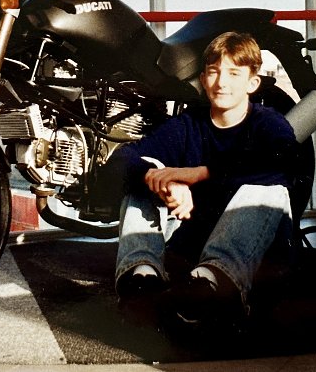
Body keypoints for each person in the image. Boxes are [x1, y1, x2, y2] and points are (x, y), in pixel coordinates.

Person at [111, 31, 304, 326]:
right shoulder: (187, 125)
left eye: (233, 73)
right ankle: (143, 279)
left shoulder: (268, 124)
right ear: (203, 79)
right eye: (213, 72)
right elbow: (121, 159)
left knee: (268, 187)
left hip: (258, 256)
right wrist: (165, 182)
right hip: (191, 249)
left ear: (252, 83)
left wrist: (199, 175)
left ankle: (216, 285)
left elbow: (286, 165)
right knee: (145, 170)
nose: (221, 82)